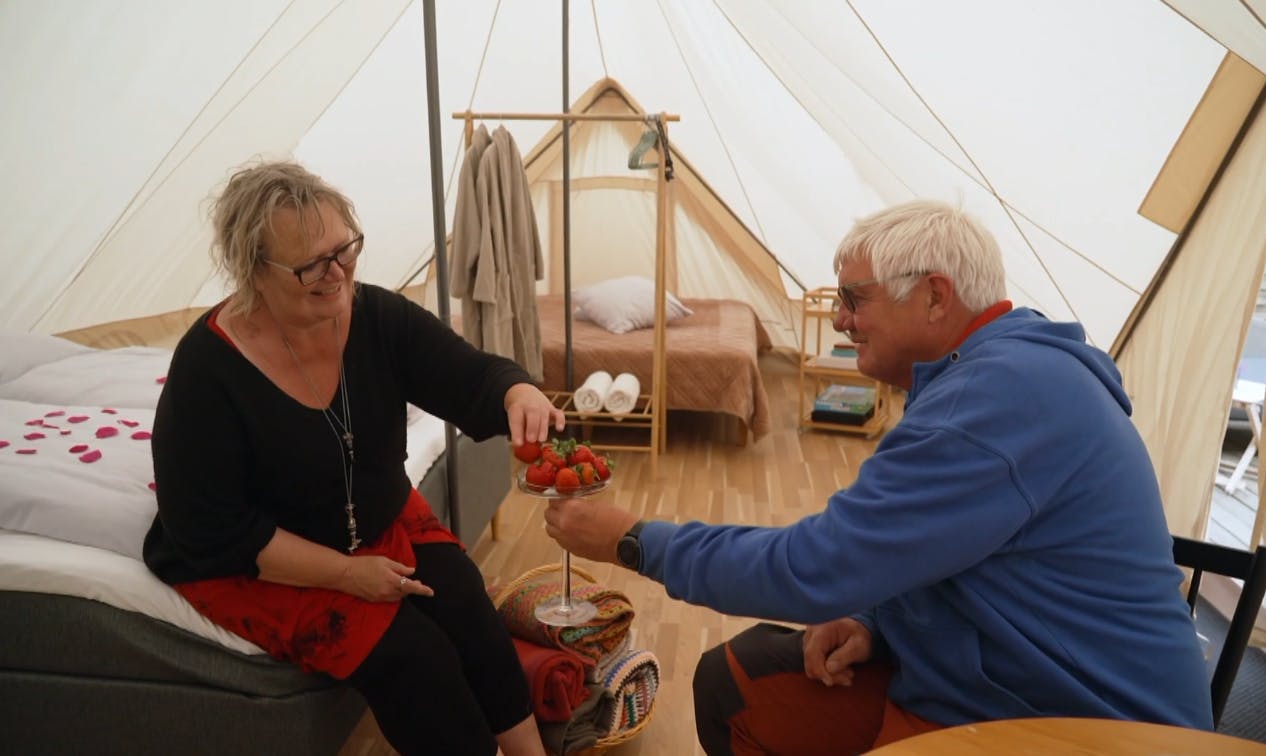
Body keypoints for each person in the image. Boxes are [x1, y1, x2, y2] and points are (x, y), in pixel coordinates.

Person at [544, 200, 1213, 754]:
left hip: (1088, 725)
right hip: (998, 677)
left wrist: (634, 540)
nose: (839, 319)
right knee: (736, 676)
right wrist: (875, 621)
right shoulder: (995, 373)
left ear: (934, 296)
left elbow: (812, 569)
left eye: (853, 299)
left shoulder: (994, 402)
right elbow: (943, 551)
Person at [143, 160, 564, 756]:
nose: (337, 273)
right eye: (312, 264)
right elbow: (211, 530)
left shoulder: (376, 317)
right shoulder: (206, 371)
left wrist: (516, 391)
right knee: (414, 658)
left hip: (376, 517)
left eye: (345, 249)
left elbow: (467, 375)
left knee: (467, 603)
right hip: (262, 560)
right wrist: (347, 574)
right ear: (254, 270)